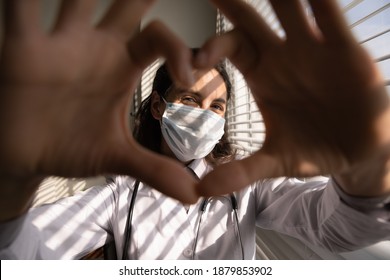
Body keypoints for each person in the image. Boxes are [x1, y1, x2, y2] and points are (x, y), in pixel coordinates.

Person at [1, 0, 390, 259]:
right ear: (158, 107)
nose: (206, 115)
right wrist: (12, 179)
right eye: (189, 100)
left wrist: (367, 169)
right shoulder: (120, 195)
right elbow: (23, 252)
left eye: (217, 106)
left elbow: (336, 229)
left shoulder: (249, 186)